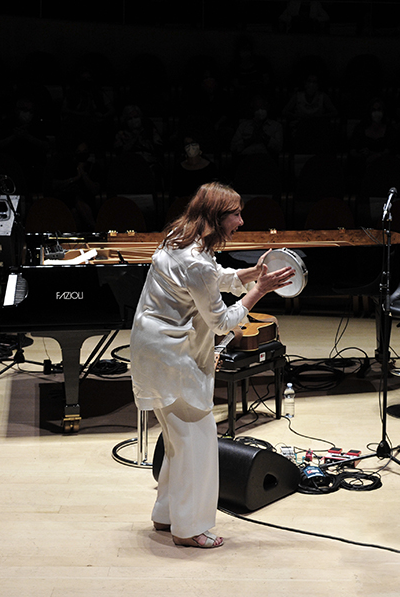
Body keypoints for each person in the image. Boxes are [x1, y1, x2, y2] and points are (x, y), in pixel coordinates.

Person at [130, 182, 294, 549]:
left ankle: (167, 515)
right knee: (197, 443)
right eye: (234, 213)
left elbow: (208, 274)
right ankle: (189, 529)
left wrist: (249, 274)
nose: (240, 220)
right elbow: (222, 321)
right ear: (215, 218)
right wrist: (259, 290)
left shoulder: (178, 236)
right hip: (172, 356)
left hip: (151, 349)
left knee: (177, 440)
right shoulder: (194, 259)